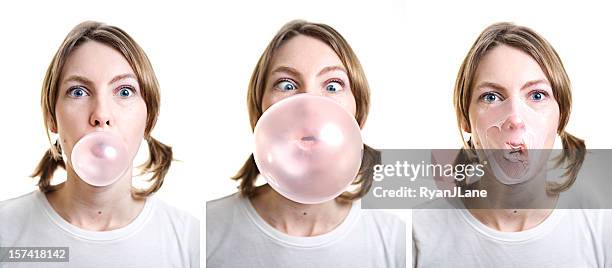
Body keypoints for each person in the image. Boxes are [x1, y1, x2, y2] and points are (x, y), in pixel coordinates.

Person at [207, 20, 406, 267]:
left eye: (333, 86)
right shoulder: (207, 230)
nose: (309, 103)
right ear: (260, 112)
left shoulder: (396, 241)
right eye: (287, 84)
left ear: (358, 115)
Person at [0, 21, 199, 268]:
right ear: (52, 116)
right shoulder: (5, 231)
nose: (101, 115)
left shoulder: (191, 241)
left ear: (149, 118)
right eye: (78, 92)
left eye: (124, 91)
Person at [412, 22, 611, 267]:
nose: (515, 119)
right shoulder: (416, 235)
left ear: (561, 116)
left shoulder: (601, 231)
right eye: (491, 97)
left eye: (537, 95)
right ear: (465, 118)